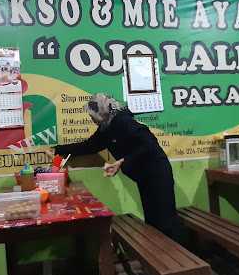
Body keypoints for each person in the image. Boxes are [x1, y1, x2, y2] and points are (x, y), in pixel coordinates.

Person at [52, 93, 178, 239]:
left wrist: (123, 161)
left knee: (165, 220)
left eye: (92, 115)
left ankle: (181, 256)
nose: (91, 118)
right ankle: (161, 253)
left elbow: (149, 144)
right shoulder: (106, 128)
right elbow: (89, 146)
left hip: (157, 173)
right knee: (152, 219)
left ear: (102, 111)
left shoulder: (123, 121)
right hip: (144, 176)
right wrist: (58, 149)